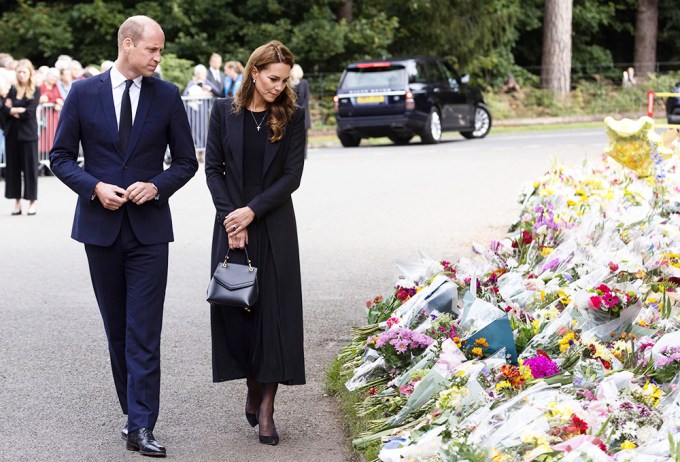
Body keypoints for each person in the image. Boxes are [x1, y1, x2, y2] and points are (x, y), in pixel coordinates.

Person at [49, 15, 198, 457]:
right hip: (100, 230)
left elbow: (186, 162)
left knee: (144, 330)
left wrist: (156, 185)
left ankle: (141, 425)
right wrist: (93, 186)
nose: (158, 57)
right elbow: (60, 157)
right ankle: (131, 413)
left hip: (150, 232)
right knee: (118, 330)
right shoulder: (83, 92)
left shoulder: (168, 96)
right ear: (128, 45)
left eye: (160, 50)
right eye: (152, 49)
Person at [205, 39, 306, 446]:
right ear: (253, 72)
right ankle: (251, 384)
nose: (278, 87)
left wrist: (253, 212)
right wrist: (233, 218)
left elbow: (292, 176)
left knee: (274, 318)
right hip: (230, 221)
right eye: (271, 78)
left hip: (274, 222)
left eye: (284, 80)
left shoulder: (292, 115)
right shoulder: (221, 112)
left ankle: (267, 407)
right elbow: (212, 168)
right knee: (239, 314)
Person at [1, 59, 40, 215]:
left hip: (28, 135)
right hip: (12, 134)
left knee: (30, 169)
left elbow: (30, 112)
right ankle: (17, 202)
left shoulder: (35, 90)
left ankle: (32, 202)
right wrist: (16, 110)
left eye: (24, 72)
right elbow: (3, 108)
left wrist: (12, 109)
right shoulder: (12, 89)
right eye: (19, 72)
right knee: (13, 170)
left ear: (30, 73)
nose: (21, 75)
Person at [290, 64, 310, 157]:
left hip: (303, 112)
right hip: (291, 112)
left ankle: (304, 153)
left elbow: (305, 98)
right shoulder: (289, 84)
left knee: (304, 134)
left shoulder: (304, 83)